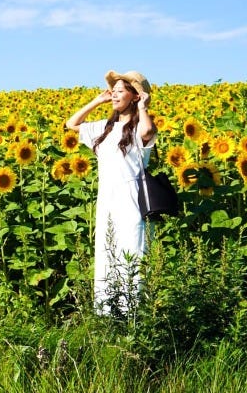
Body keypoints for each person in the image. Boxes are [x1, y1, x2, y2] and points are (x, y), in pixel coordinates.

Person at [65, 70, 157, 313]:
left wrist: (144, 108)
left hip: (132, 201)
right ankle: (107, 315)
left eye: (120, 91)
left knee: (133, 255)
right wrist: (98, 100)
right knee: (107, 255)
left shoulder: (139, 127)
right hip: (107, 200)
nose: (114, 94)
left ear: (135, 96)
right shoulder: (103, 128)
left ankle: (134, 317)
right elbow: (71, 124)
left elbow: (148, 133)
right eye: (113, 90)